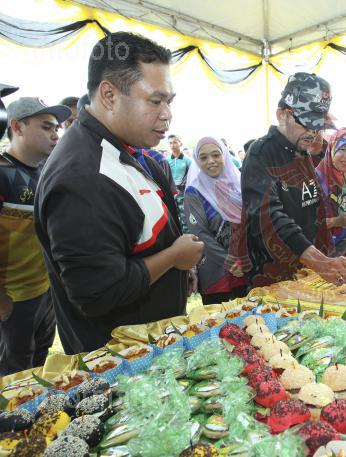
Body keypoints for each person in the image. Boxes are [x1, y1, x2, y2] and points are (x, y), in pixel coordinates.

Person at [34, 32, 204, 354]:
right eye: (155, 101)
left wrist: (180, 269)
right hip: (121, 364)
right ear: (109, 95)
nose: (167, 114)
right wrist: (173, 257)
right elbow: (96, 293)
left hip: (153, 349)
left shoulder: (124, 149)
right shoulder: (81, 174)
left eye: (169, 101)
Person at [241, 72, 346, 287]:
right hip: (274, 277)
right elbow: (269, 218)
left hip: (307, 273)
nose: (312, 132)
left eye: (317, 125)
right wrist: (319, 261)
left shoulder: (301, 152)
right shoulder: (261, 154)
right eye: (306, 123)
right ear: (282, 114)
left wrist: (327, 255)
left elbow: (313, 212)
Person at [0, 97, 70, 375]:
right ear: (17, 127)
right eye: (46, 127)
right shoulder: (2, 173)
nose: (55, 134)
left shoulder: (46, 172)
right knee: (13, 375)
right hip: (13, 300)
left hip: (45, 293)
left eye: (57, 128)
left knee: (38, 368)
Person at [184, 137, 248, 304]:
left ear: (224, 155)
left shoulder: (238, 184)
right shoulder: (194, 192)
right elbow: (200, 234)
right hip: (215, 271)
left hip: (246, 265)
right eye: (203, 157)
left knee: (251, 313)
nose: (211, 161)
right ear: (197, 161)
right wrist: (230, 262)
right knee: (218, 317)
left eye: (216, 155)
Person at [168, 133, 191, 232]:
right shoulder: (166, 160)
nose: (172, 145)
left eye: (175, 142)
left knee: (185, 217)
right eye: (170, 143)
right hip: (171, 193)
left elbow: (192, 176)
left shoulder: (187, 160)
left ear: (180, 144)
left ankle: (187, 236)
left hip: (184, 193)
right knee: (173, 217)